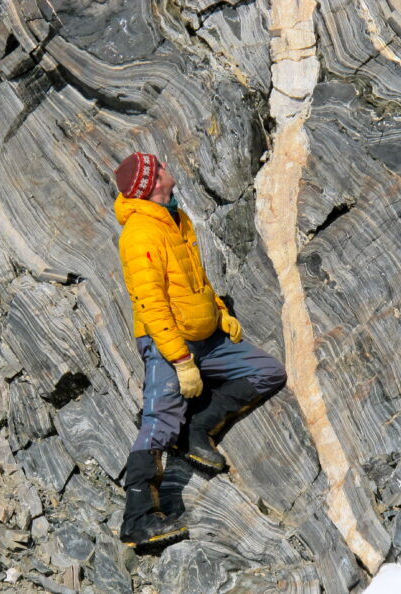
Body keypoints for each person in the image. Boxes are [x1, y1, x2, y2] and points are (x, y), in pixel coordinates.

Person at [112, 152, 287, 549]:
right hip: (169, 343)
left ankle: (197, 429)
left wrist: (220, 314)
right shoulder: (141, 233)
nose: (166, 167)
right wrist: (180, 361)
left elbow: (196, 279)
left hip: (207, 337)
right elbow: (151, 305)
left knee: (268, 372)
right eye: (158, 167)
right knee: (159, 421)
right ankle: (138, 520)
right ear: (153, 182)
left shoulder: (174, 216)